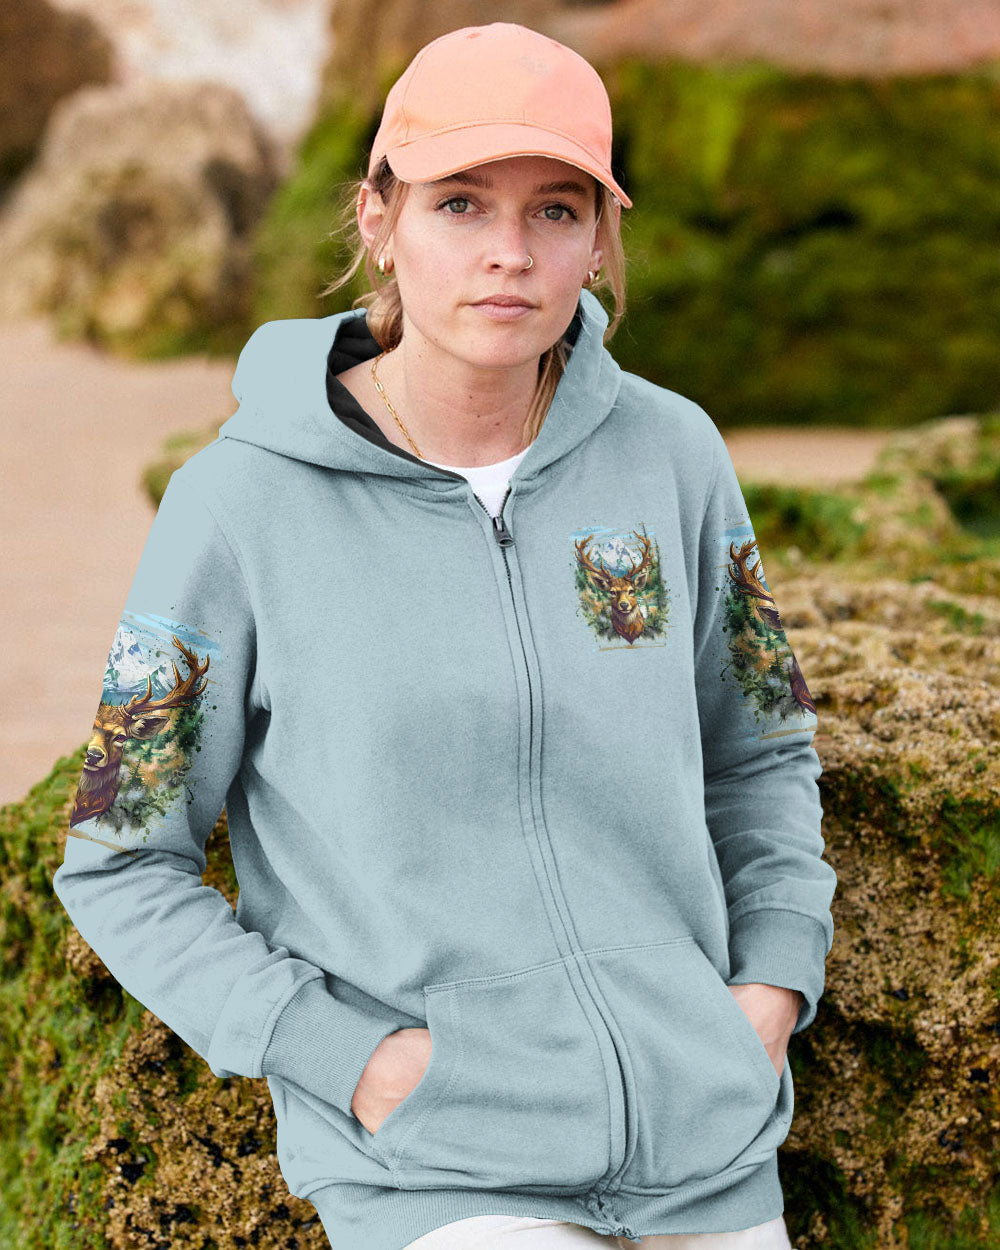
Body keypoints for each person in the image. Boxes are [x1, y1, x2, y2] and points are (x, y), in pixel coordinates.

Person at [53, 21, 837, 1250]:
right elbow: (117, 851)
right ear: (378, 217)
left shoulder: (672, 456)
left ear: (600, 239)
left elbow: (762, 749)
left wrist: (771, 988)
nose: (509, 252)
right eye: (460, 203)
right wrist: (355, 1059)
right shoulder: (236, 505)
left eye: (556, 210)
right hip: (437, 1169)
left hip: (708, 1137)